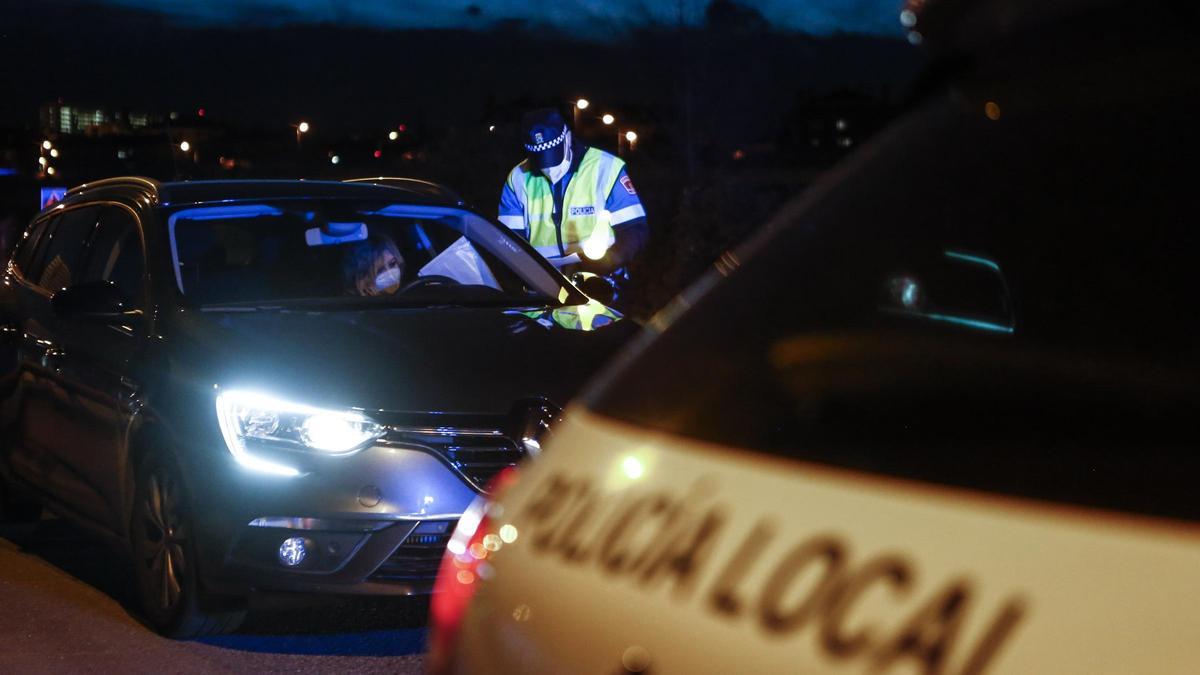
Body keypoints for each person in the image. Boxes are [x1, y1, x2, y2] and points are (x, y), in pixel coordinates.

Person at [498, 108, 648, 288]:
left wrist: (611, 259)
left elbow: (635, 229)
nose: (549, 169)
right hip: (544, 287)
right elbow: (508, 239)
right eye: (541, 161)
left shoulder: (605, 168)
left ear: (567, 138)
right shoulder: (518, 178)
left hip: (600, 284)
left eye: (554, 156)